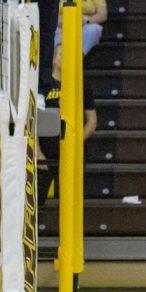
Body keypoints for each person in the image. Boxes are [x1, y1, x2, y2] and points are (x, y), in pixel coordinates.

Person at [38, 28, 98, 201]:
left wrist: (75, 141)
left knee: (68, 201)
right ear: (54, 59)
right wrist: (37, 151)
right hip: (46, 153)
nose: (63, 57)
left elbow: (92, 121)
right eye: (60, 54)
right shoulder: (43, 84)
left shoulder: (81, 84)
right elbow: (33, 120)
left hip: (72, 152)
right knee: (37, 201)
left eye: (67, 54)